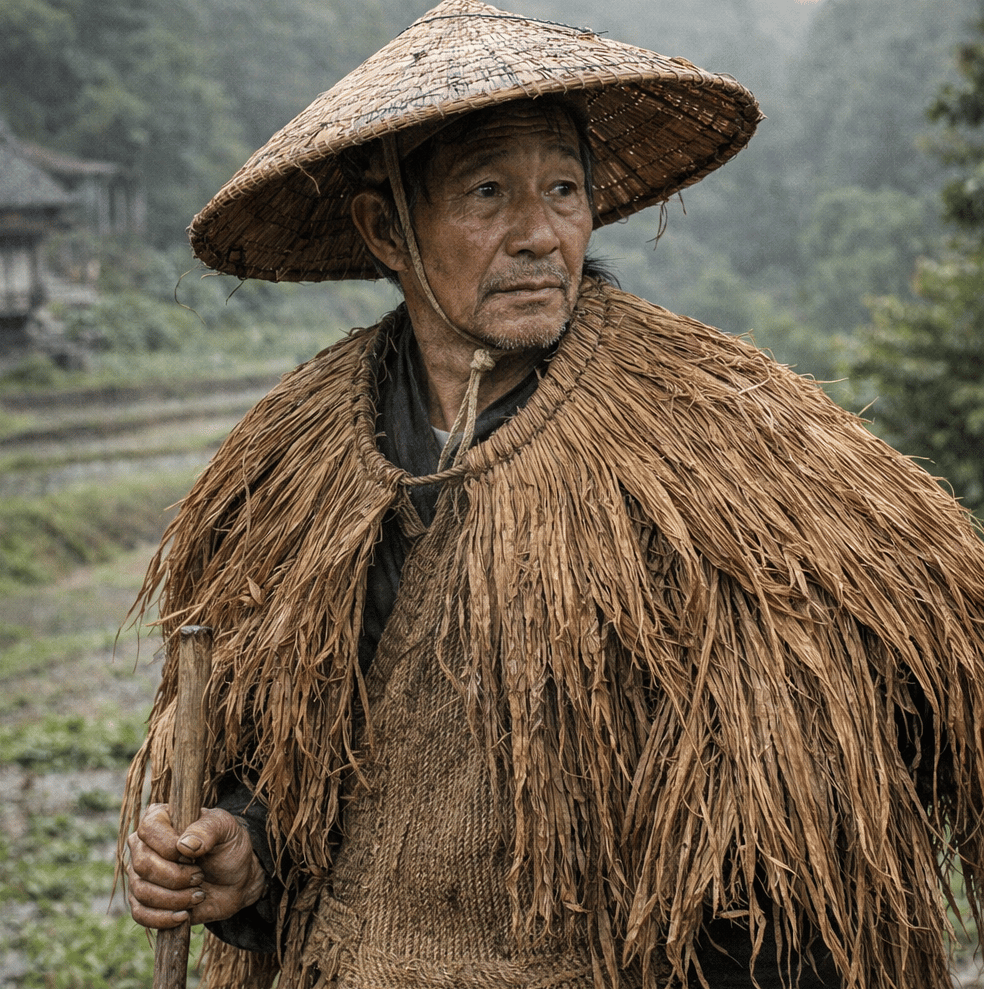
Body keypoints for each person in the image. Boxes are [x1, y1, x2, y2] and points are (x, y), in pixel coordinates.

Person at [120, 2, 984, 988]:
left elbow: (888, 710)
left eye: (564, 189)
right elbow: (284, 757)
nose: (538, 234)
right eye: (488, 192)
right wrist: (243, 849)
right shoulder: (293, 463)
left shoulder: (725, 437)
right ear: (384, 227)